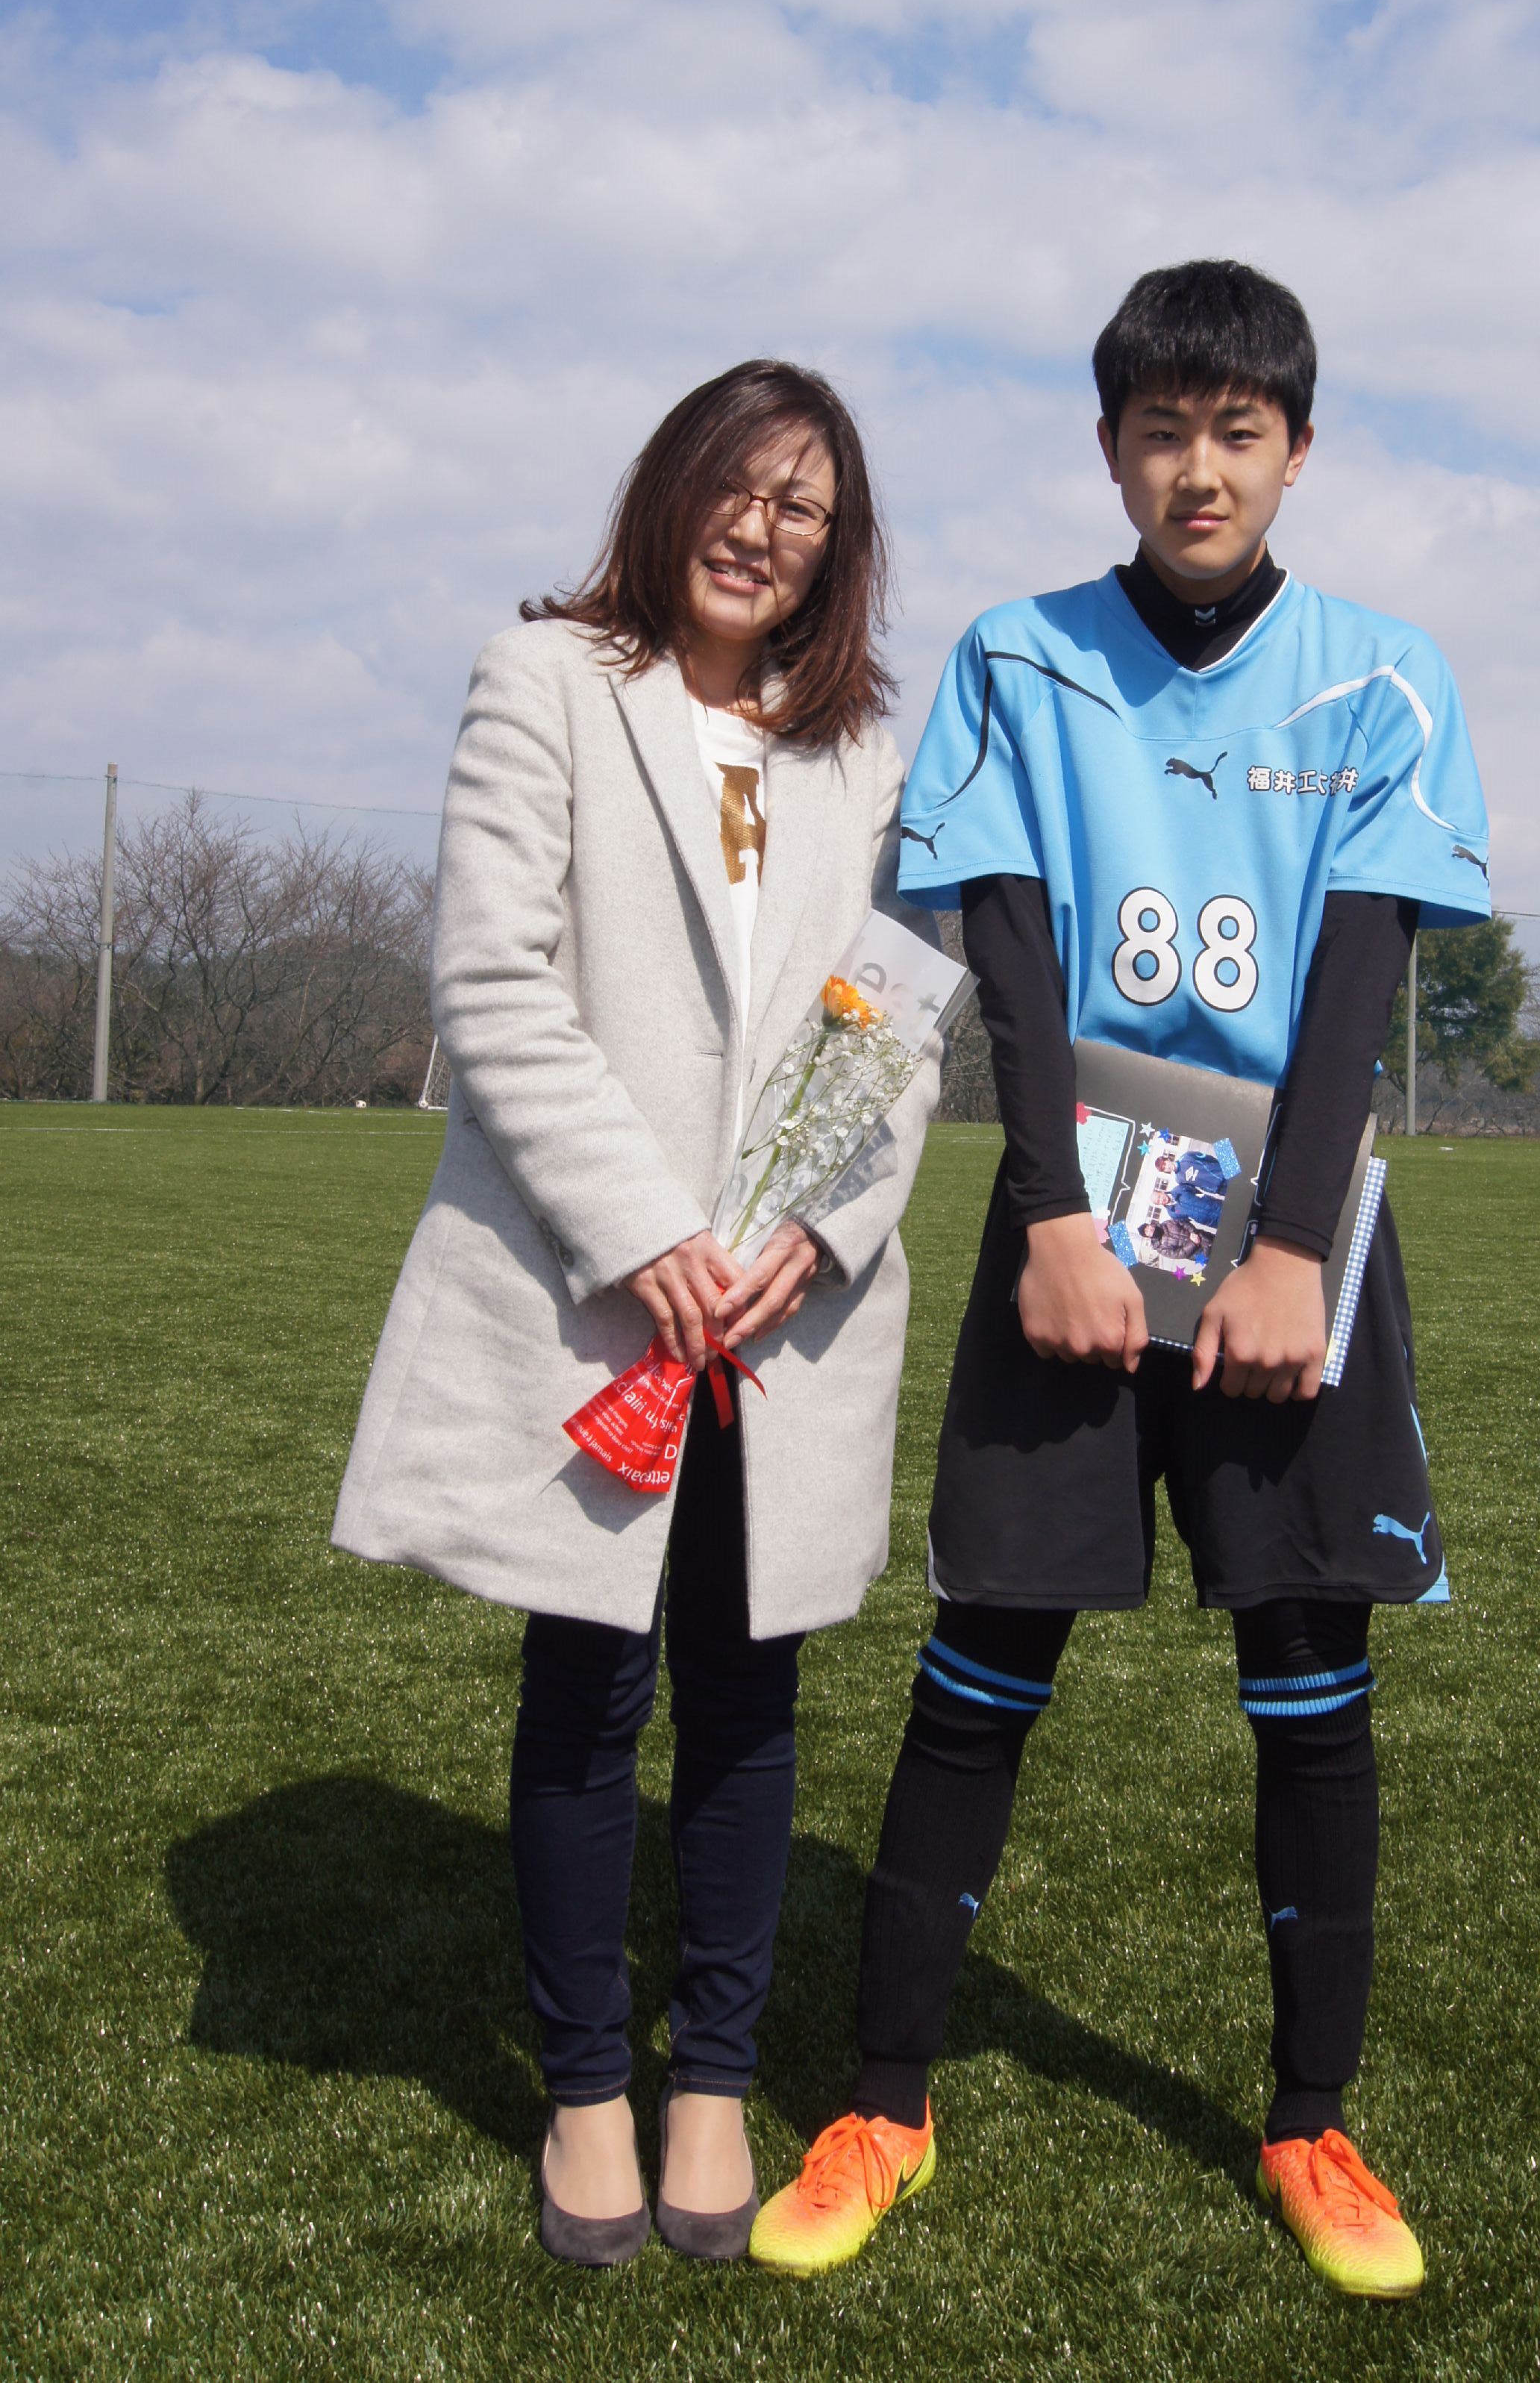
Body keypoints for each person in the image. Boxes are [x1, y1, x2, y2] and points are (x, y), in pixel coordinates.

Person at [751, 262, 1489, 2297]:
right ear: (1110, 449)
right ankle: (885, 2100)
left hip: (1281, 1236)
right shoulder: (1017, 657)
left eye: (1238, 432)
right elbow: (1002, 951)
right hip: (1073, 1222)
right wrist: (1059, 1217)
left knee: (1310, 1683)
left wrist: (1291, 1249)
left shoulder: (1383, 680)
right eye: (1161, 431)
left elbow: (1354, 982)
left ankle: (1312, 2121)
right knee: (981, 1661)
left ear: (1299, 451)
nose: (1198, 469)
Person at [332, 360, 941, 2266]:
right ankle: (588, 2086)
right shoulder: (550, 682)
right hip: (607, 1294)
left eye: (805, 507)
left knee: (750, 1697)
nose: (763, 529)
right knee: (590, 1688)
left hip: (779, 1314)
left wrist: (817, 1232)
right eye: (739, 486)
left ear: (839, 550)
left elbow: (901, 1026)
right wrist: (646, 1231)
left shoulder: (864, 749)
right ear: (672, 487)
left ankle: (713, 2079)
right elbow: (493, 979)